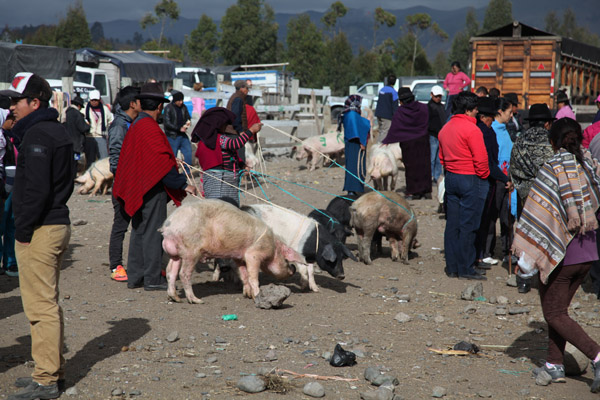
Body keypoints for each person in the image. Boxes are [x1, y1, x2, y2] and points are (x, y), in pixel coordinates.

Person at [1, 73, 75, 400]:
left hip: (42, 229)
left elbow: (36, 191)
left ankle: (46, 380)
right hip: (54, 224)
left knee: (40, 306)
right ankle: (48, 370)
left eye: (16, 102)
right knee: (46, 303)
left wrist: (25, 231)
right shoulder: (50, 130)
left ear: (35, 103)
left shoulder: (38, 135)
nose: (10, 108)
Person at [512, 118, 600, 393]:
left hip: (561, 252)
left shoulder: (552, 169)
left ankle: (596, 355)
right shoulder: (589, 166)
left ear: (552, 142)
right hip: (588, 251)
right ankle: (554, 364)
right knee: (555, 309)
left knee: (553, 312)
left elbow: (540, 213)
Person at [112, 82, 197, 291]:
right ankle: (151, 278)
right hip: (151, 188)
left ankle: (135, 276)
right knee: (152, 232)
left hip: (139, 186)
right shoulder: (148, 127)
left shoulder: (138, 125)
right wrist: (183, 185)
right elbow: (160, 161)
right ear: (159, 107)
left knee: (140, 230)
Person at [438, 91, 490, 280]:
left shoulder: (446, 128)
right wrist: (482, 177)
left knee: (452, 224)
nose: (477, 113)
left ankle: (452, 267)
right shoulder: (472, 130)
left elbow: (441, 157)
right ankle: (466, 268)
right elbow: (481, 159)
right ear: (468, 110)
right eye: (475, 109)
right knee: (468, 225)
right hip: (469, 178)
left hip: (451, 177)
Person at [509, 103, 555, 293]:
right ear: (546, 124)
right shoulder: (552, 142)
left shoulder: (519, 141)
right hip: (547, 196)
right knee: (548, 235)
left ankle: (524, 279)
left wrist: (522, 187)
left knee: (526, 236)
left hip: (525, 196)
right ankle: (548, 276)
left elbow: (513, 169)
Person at [474, 97, 513, 271]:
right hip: (492, 178)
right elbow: (490, 161)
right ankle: (483, 253)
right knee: (488, 217)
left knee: (501, 217)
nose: (511, 116)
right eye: (509, 112)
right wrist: (503, 178)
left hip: (498, 177)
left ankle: (498, 252)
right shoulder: (488, 131)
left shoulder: (500, 130)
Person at [192, 107, 261, 205]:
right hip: (218, 180)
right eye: (225, 124)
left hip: (228, 181)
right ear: (218, 124)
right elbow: (236, 144)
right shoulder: (217, 139)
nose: (226, 127)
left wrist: (242, 165)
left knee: (230, 209)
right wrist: (251, 131)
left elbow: (232, 153)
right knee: (219, 209)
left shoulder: (217, 139)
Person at [107, 86, 141, 282]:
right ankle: (116, 265)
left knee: (139, 224)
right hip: (123, 185)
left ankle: (138, 264)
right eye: (139, 100)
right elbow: (116, 158)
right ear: (132, 104)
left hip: (134, 184)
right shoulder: (120, 125)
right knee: (120, 226)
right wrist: (124, 181)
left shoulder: (133, 122)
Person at [383, 87, 431, 200]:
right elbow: (428, 121)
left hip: (409, 144)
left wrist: (386, 141)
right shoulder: (423, 107)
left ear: (401, 101)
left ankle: (412, 192)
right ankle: (425, 191)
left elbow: (395, 128)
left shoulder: (400, 112)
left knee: (411, 168)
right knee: (424, 166)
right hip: (423, 141)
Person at [489, 98, 517, 267]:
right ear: (500, 112)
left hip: (508, 180)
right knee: (492, 217)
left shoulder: (505, 129)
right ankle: (488, 252)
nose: (511, 116)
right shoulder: (492, 130)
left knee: (508, 218)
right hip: (497, 179)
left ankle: (509, 250)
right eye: (509, 113)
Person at [338, 95, 370, 195]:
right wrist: (362, 142)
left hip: (351, 143)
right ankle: (352, 190)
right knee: (354, 166)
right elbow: (356, 129)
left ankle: (353, 189)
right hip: (354, 143)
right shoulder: (352, 114)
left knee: (353, 166)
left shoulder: (349, 113)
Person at [163, 90, 192, 174]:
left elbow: (188, 117)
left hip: (182, 135)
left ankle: (187, 173)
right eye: (179, 100)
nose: (181, 102)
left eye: (182, 100)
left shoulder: (184, 107)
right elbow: (167, 123)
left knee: (188, 153)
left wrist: (188, 122)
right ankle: (172, 173)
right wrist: (179, 128)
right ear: (175, 100)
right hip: (172, 136)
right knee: (172, 156)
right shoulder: (168, 108)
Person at [83, 89, 113, 165]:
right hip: (89, 136)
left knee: (104, 159)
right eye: (92, 100)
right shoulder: (84, 109)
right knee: (90, 160)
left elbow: (111, 120)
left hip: (101, 136)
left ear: (99, 99)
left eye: (96, 100)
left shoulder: (105, 109)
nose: (94, 102)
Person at [63, 95, 89, 173]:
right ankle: (74, 176)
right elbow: (83, 128)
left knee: (69, 162)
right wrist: (88, 125)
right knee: (75, 162)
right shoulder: (77, 114)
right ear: (78, 106)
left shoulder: (66, 112)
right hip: (76, 143)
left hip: (67, 141)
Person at [427, 85, 445, 183]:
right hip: (432, 136)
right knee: (431, 158)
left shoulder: (442, 107)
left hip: (441, 136)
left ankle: (437, 177)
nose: (438, 98)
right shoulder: (429, 107)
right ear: (431, 95)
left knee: (439, 159)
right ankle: (430, 176)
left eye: (439, 96)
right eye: (436, 96)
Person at [374, 74, 398, 142]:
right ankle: (380, 148)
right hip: (387, 116)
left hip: (379, 114)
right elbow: (395, 106)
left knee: (381, 131)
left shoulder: (382, 90)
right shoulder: (394, 92)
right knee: (385, 132)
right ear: (395, 82)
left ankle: (378, 146)